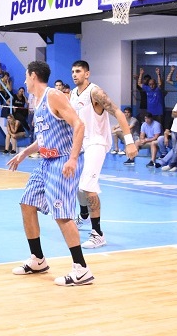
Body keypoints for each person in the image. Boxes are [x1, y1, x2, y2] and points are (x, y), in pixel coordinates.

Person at [7, 61, 92, 286]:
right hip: (46, 162)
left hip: (63, 161)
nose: (24, 79)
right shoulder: (37, 101)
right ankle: (38, 259)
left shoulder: (53, 95)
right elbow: (45, 137)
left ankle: (81, 269)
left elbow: (79, 125)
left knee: (62, 215)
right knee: (27, 203)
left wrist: (73, 158)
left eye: (26, 75)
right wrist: (25, 152)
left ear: (33, 76)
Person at [69, 60, 137, 249]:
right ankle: (83, 214)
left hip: (97, 143)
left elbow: (117, 112)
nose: (75, 74)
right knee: (77, 185)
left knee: (88, 187)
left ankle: (98, 234)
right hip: (81, 143)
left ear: (87, 74)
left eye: (78, 71)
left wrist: (129, 142)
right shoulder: (73, 94)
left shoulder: (95, 92)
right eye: (73, 71)